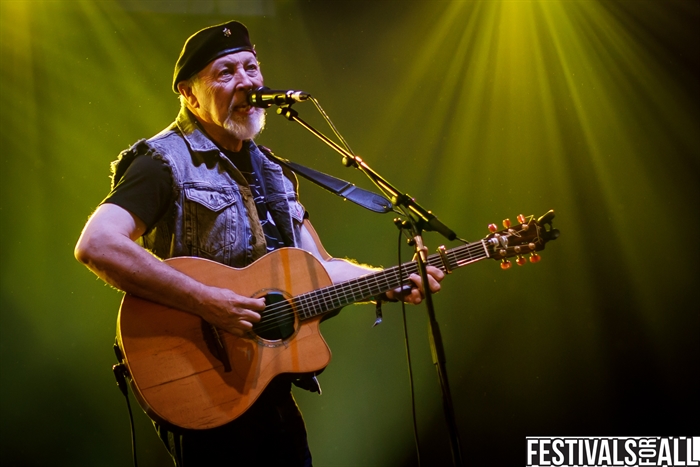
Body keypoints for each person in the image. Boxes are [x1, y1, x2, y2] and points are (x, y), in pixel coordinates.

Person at [74, 20, 444, 466]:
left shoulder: (273, 171)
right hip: (198, 377)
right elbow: (97, 244)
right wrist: (210, 302)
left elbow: (320, 267)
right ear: (189, 94)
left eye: (251, 67)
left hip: (265, 385)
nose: (246, 81)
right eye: (225, 72)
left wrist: (384, 280)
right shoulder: (162, 162)